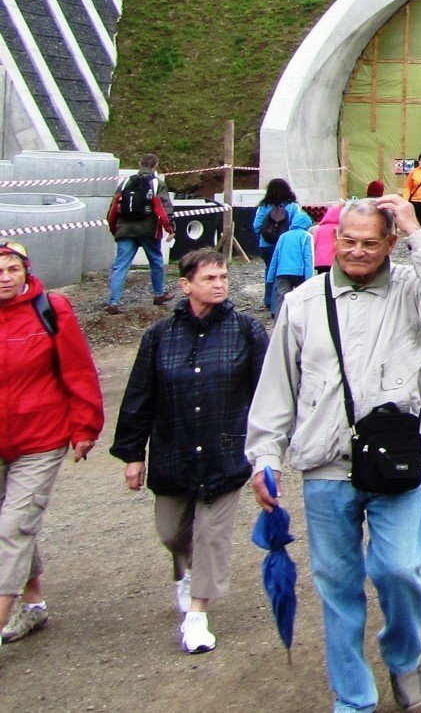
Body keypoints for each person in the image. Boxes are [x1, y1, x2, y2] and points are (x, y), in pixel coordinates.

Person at [247, 194, 421, 713]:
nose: (357, 252)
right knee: (337, 587)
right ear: (334, 240)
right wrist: (264, 456)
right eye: (347, 241)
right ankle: (354, 699)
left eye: (371, 243)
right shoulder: (302, 303)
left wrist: (419, 232)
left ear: (390, 244)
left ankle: (403, 655)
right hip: (325, 466)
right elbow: (278, 387)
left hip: (394, 464)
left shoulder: (416, 297)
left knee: (398, 569)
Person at [110, 248, 268, 654]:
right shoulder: (159, 336)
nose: (219, 285)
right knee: (171, 531)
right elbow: (139, 396)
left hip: (226, 451)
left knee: (212, 535)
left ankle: (197, 615)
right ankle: (185, 573)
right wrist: (133, 454)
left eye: (223, 278)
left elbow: (268, 394)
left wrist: (268, 449)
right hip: (173, 451)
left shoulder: (246, 330)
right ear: (186, 285)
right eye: (210, 278)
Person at [0, 241, 105, 647]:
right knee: (10, 525)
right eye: (0, 270)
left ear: (26, 271)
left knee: (13, 525)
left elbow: (78, 370)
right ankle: (33, 605)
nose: (6, 277)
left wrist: (85, 427)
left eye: (13, 269)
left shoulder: (51, 308)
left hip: (40, 438)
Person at [106, 153, 172, 312]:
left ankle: (113, 302)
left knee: (120, 266)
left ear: (139, 164)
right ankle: (158, 295)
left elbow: (113, 208)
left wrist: (114, 228)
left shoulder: (125, 182)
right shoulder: (158, 184)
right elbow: (163, 209)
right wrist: (170, 229)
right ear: (155, 165)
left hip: (125, 230)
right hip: (148, 230)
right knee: (156, 262)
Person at [252, 179, 307, 274]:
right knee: (284, 272)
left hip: (266, 244)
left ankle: (270, 288)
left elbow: (256, 225)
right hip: (286, 245)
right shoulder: (293, 206)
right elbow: (298, 224)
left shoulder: (264, 206)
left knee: (270, 270)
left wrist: (263, 236)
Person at [265, 218, 315, 317]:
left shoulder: (283, 236)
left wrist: (270, 278)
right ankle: (299, 324)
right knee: (301, 300)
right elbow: (308, 258)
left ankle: (279, 326)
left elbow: (275, 257)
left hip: (282, 272)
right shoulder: (306, 236)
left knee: (281, 301)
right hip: (299, 274)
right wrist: (310, 279)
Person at [312, 202, 344, 274]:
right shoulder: (340, 228)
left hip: (320, 261)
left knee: (322, 281)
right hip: (335, 261)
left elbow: (313, 243)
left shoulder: (319, 229)